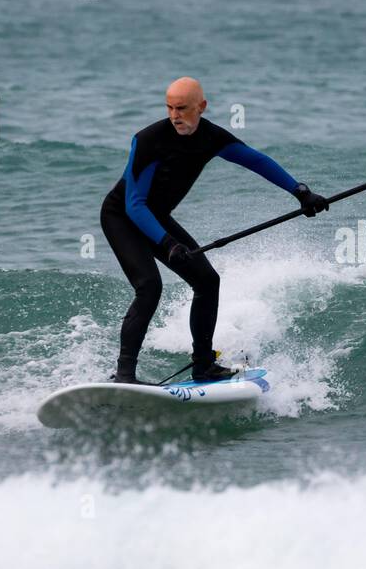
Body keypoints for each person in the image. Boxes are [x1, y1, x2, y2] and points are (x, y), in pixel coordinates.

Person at [100, 77, 328, 383]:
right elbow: (134, 204)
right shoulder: (148, 141)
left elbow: (256, 161)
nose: (174, 115)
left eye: (181, 108)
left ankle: (203, 365)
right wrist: (167, 243)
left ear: (201, 107)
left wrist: (300, 192)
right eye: (169, 108)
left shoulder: (211, 138)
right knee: (149, 286)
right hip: (122, 217)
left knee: (207, 281)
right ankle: (124, 374)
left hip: (156, 216)